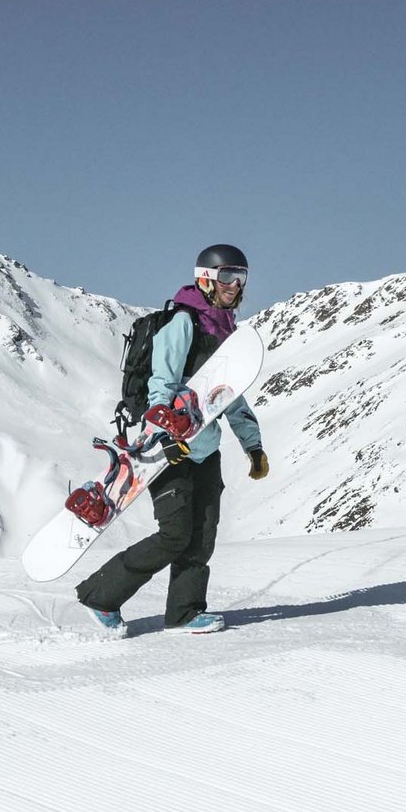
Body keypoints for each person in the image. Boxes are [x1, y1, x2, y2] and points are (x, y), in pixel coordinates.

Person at [76, 244, 269, 635]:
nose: (236, 285)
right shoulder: (183, 324)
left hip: (205, 449)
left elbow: (228, 395)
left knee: (202, 537)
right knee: (174, 535)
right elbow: (160, 385)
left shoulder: (226, 332)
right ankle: (100, 596)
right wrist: (162, 435)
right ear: (206, 278)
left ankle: (184, 613)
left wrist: (253, 445)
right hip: (167, 450)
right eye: (228, 276)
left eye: (241, 277)